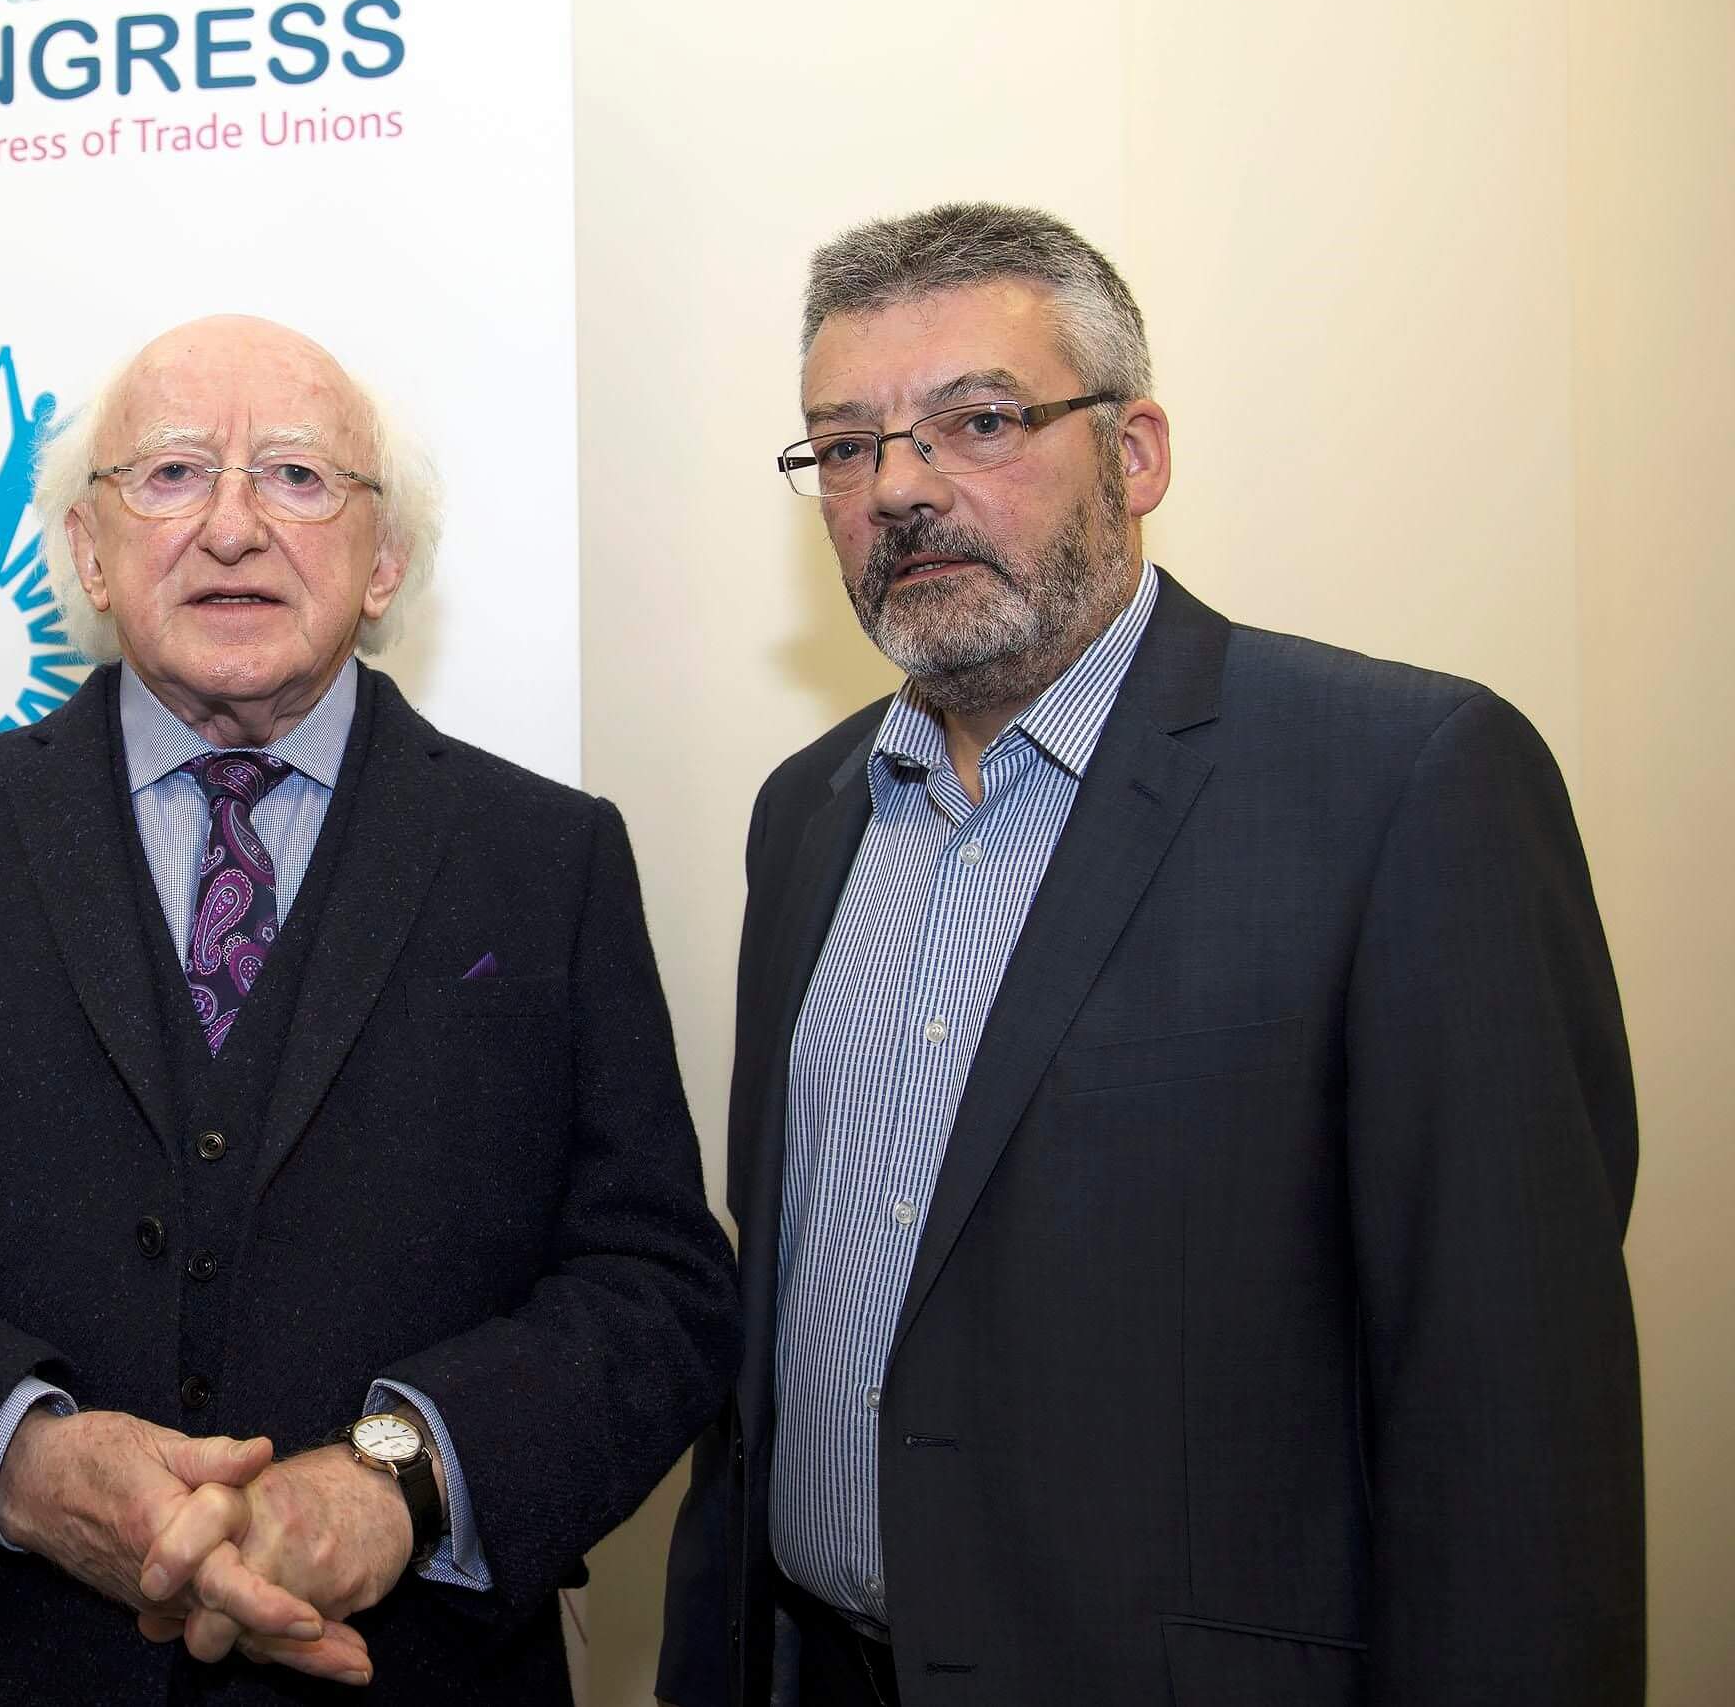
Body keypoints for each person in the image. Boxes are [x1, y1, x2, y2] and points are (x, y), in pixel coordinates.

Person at [657, 204, 1642, 1706]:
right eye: (846, 448)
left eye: (978, 421)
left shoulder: (1407, 782)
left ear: (1136, 454)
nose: (898, 488)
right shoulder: (807, 812)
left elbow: (1515, 1423)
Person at [0, 315, 737, 1705]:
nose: (233, 527)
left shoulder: (548, 862)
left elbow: (654, 1287)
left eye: (299, 475)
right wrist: (19, 1458)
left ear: (385, 561)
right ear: (89, 551)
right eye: (173, 472)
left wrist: (398, 1482)